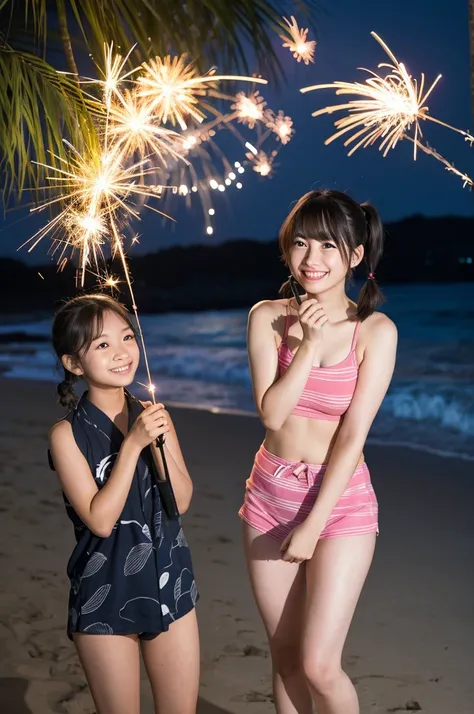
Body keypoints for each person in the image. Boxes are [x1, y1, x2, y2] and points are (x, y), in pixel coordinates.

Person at [239, 189, 397, 714]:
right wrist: (306, 343)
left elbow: (353, 435)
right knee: (285, 657)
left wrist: (312, 525)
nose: (312, 259)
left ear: (355, 255)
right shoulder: (267, 316)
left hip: (341, 501)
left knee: (319, 666)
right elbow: (272, 415)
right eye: (300, 243)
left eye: (329, 245)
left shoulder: (375, 331)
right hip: (270, 494)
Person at [48, 293, 199, 714]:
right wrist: (132, 446)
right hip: (105, 589)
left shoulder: (152, 414)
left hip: (170, 577)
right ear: (74, 364)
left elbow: (181, 500)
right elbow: (99, 519)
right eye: (102, 344)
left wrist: (160, 442)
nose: (121, 352)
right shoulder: (67, 436)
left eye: (127, 337)